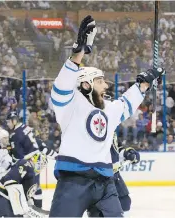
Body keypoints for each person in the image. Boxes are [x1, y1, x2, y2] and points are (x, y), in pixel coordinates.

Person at [49, 15, 165, 217]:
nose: (107, 85)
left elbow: (126, 104)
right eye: (100, 80)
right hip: (73, 181)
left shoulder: (109, 109)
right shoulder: (70, 105)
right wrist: (78, 54)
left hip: (105, 182)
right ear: (86, 85)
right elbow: (60, 88)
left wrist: (144, 84)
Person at [6, 111, 57, 209]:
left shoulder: (15, 135)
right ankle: (37, 207)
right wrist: (54, 155)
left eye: (9, 122)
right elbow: (39, 143)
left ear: (14, 121)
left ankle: (25, 206)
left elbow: (18, 157)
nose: (8, 124)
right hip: (39, 159)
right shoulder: (28, 128)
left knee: (24, 184)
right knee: (35, 185)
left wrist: (11, 162)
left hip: (29, 162)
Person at [89, 132, 140, 217]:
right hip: (99, 177)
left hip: (114, 175)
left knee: (125, 202)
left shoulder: (111, 127)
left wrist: (127, 153)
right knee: (99, 209)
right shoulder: (95, 127)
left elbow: (116, 149)